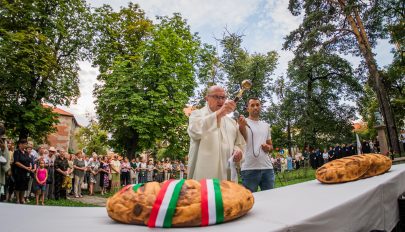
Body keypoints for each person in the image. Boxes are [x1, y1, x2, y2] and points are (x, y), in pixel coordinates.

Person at [187, 85, 245, 180]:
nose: (220, 100)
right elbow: (195, 132)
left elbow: (238, 144)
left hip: (227, 174)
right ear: (207, 98)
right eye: (216, 97)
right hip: (204, 175)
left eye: (223, 97)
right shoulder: (197, 114)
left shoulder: (231, 122)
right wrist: (219, 113)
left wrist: (237, 152)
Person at [238, 97, 274, 192]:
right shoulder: (242, 123)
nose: (255, 107)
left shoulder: (266, 125)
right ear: (247, 108)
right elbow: (241, 140)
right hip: (249, 168)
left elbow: (271, 146)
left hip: (267, 168)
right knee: (249, 200)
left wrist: (268, 147)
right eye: (252, 105)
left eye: (257, 105)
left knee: (270, 199)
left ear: (261, 107)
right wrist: (241, 126)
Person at [13, 139, 32, 204]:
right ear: (20, 144)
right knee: (18, 185)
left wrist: (29, 167)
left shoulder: (26, 152)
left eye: (26, 144)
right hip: (18, 172)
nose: (26, 145)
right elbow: (17, 162)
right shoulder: (17, 152)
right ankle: (18, 199)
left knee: (24, 185)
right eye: (25, 144)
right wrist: (26, 167)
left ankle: (22, 199)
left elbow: (29, 161)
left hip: (25, 172)